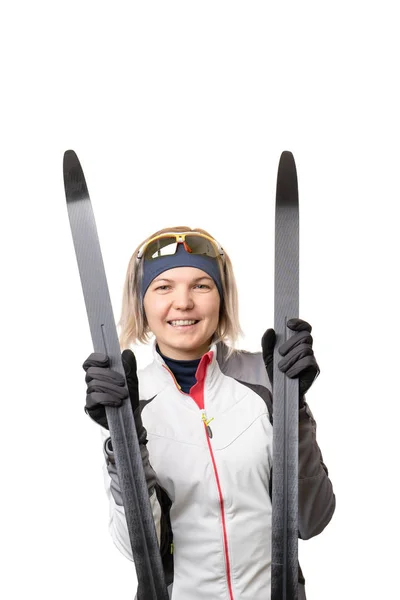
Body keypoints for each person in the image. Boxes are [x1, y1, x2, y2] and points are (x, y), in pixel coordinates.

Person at [83, 226, 335, 600]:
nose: (183, 303)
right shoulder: (129, 398)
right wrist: (123, 440)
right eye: (163, 287)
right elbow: (136, 548)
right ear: (141, 303)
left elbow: (312, 519)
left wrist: (293, 411)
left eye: (201, 285)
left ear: (222, 298)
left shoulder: (268, 379)